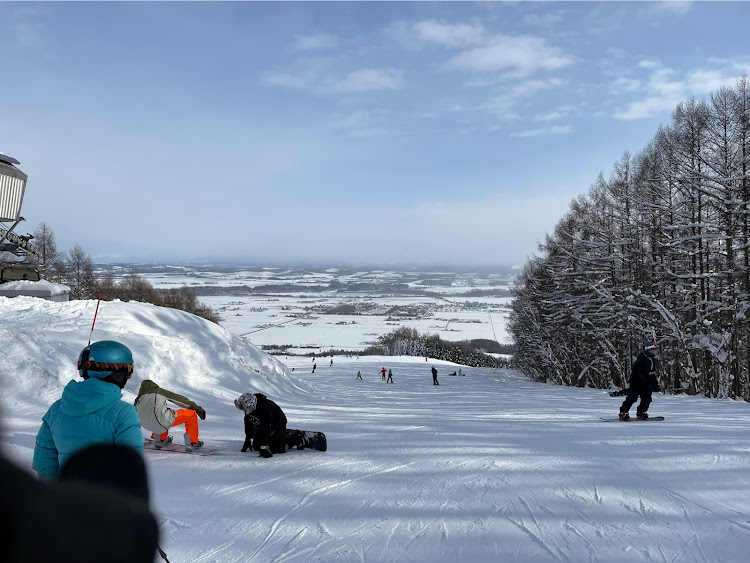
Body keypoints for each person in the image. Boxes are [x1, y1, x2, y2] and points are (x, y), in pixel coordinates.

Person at [33, 340, 143, 480]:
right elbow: (131, 467)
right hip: (105, 499)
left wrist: (55, 494)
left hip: (63, 496)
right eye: (128, 372)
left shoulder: (56, 409)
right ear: (118, 373)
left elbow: (44, 460)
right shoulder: (124, 413)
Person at [134, 380, 206, 451]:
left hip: (147, 425)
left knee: (162, 412)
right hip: (161, 421)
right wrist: (197, 408)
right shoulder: (158, 391)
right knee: (191, 414)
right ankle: (192, 443)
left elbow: (133, 416)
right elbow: (180, 400)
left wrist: (134, 437)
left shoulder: (138, 399)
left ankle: (159, 440)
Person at [234, 392, 306, 458]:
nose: (242, 409)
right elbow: (248, 423)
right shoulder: (249, 409)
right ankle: (281, 434)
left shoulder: (266, 408)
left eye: (242, 407)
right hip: (262, 425)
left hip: (277, 424)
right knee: (256, 446)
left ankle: (297, 436)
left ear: (250, 404)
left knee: (278, 449)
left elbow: (266, 427)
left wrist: (263, 447)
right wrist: (248, 439)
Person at [619, 343, 661, 420]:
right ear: (650, 350)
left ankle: (641, 412)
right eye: (655, 350)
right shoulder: (642, 359)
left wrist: (655, 385)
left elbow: (652, 374)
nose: (656, 351)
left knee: (647, 398)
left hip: (646, 383)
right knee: (632, 397)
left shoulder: (651, 359)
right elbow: (639, 372)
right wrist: (643, 379)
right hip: (637, 382)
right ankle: (623, 412)